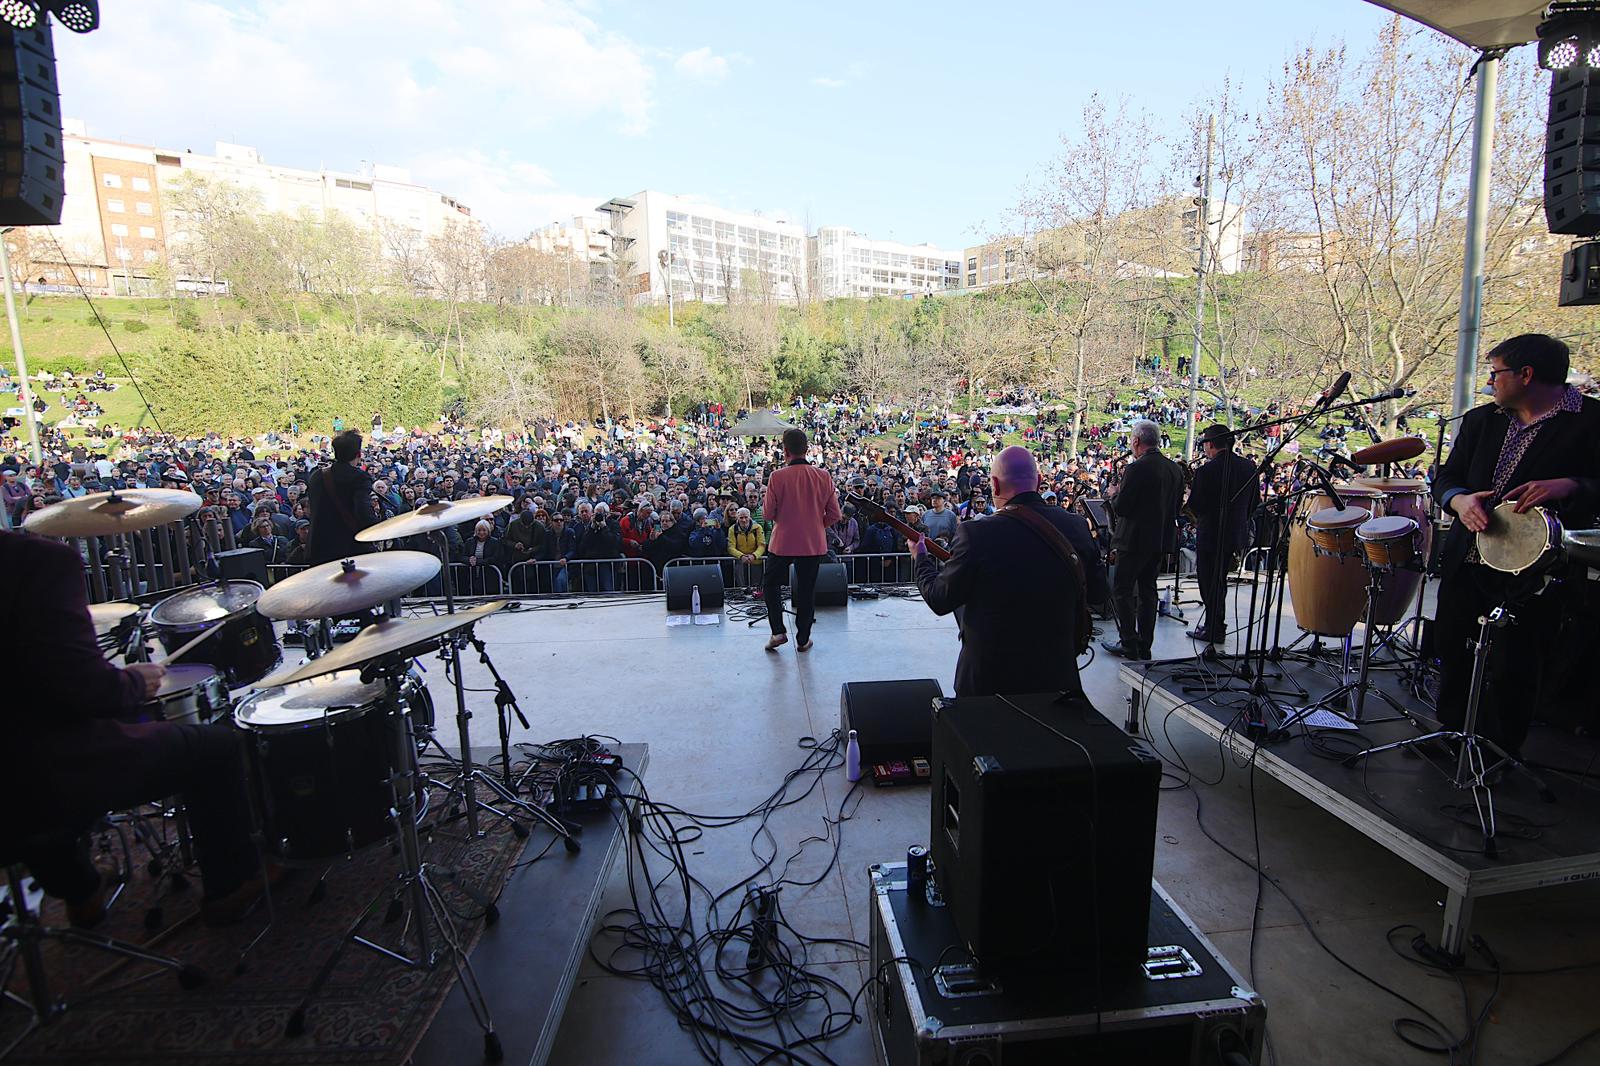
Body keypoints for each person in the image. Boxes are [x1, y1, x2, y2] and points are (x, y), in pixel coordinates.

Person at [0, 532, 270, 927]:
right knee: (217, 745)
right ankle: (232, 887)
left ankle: (79, 888)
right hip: (40, 774)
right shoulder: (33, 562)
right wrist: (133, 683)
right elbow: (89, 692)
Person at [1432, 334, 1600, 754]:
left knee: (1517, 662)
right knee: (1453, 647)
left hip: (1538, 570)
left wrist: (1570, 485)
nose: (1490, 382)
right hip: (1468, 557)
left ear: (1526, 375)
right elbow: (1446, 478)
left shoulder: (1591, 421)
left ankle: (1498, 751)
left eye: (1496, 373)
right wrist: (1459, 500)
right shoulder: (1481, 420)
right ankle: (1451, 735)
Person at [908, 445, 1106, 697]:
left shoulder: (976, 533)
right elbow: (1099, 593)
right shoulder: (1076, 526)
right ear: (1039, 481)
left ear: (994, 485)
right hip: (1056, 682)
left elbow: (940, 598)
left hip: (990, 685)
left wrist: (921, 558)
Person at [1102, 419, 1183, 660]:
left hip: (1133, 541)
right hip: (1159, 541)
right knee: (1148, 591)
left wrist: (1114, 495)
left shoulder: (1136, 469)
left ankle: (1129, 642)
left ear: (1136, 441)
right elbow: (1176, 507)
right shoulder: (1174, 469)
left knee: (1122, 590)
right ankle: (1145, 645)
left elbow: (1123, 507)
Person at [762, 428, 841, 652]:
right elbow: (835, 514)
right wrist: (815, 525)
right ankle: (803, 639)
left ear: (785, 451)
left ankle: (778, 631)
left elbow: (767, 514)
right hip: (812, 543)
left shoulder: (777, 477)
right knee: (806, 590)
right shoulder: (823, 476)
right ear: (807, 449)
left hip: (782, 543)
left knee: (770, 584)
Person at [1185, 423, 1259, 645]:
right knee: (1221, 580)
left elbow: (1196, 505)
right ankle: (1216, 624)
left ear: (1210, 444)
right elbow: (1255, 502)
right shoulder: (1248, 467)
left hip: (1211, 534)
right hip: (1235, 533)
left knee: (1209, 581)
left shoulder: (1206, 471)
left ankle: (1214, 627)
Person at [306, 429, 374, 566]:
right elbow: (363, 512)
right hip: (349, 549)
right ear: (358, 454)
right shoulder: (359, 477)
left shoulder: (316, 476)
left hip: (318, 547)